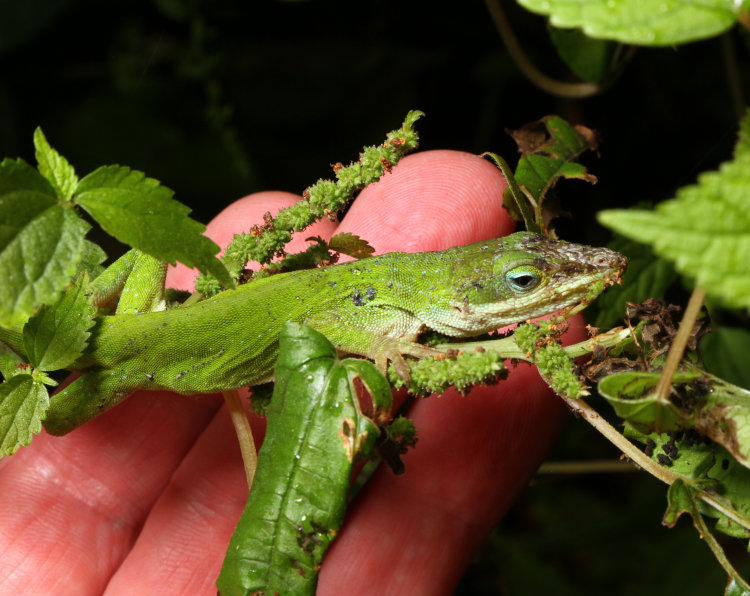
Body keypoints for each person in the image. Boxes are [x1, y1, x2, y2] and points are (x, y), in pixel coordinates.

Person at [0, 150, 586, 594]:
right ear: (459, 295)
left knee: (148, 256)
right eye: (526, 282)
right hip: (133, 362)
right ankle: (45, 348)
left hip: (134, 325)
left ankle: (59, 330)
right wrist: (379, 340)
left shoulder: (410, 275)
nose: (555, 288)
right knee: (51, 421)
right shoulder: (403, 295)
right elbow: (332, 321)